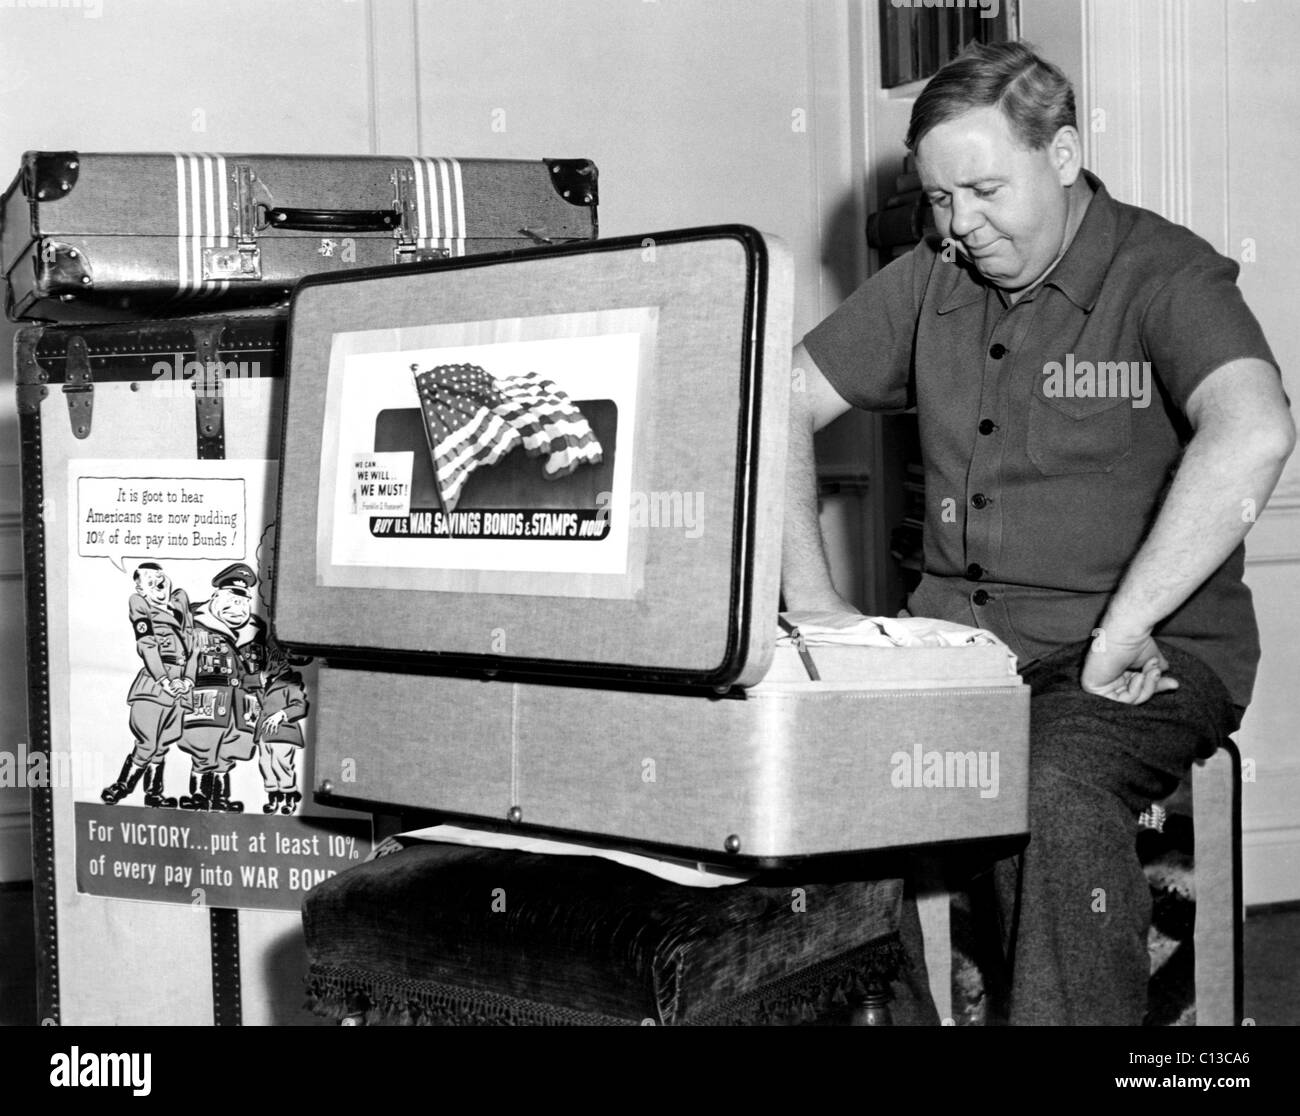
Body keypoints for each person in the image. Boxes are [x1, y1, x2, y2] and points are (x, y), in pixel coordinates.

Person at [782, 41, 1294, 1025]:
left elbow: (1256, 427)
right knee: (806, 762)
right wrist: (813, 605)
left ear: (1061, 155)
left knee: (1046, 773)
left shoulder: (1163, 271)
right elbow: (776, 407)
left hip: (1148, 652)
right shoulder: (933, 277)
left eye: (982, 189)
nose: (958, 225)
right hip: (961, 648)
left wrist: (1122, 628)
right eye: (937, 199)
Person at [101, 562, 196, 808]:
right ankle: (122, 786)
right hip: (154, 685)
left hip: (180, 687)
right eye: (149, 582)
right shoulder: (141, 606)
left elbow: (194, 649)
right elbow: (147, 645)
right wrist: (163, 679)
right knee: (148, 742)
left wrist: (188, 680)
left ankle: (153, 794)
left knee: (164, 743)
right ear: (141, 589)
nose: (158, 583)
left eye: (160, 577)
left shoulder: (181, 609)